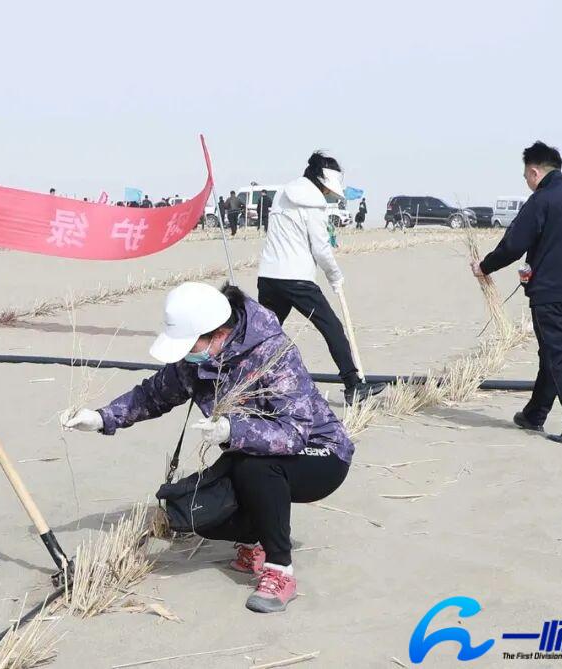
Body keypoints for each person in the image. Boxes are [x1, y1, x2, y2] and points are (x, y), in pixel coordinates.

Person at [60, 282, 353, 613]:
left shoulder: (273, 352)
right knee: (198, 508)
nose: (186, 354)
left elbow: (294, 432)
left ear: (218, 333)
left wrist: (232, 429)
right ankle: (253, 541)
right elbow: (152, 395)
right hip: (252, 452)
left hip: (320, 454)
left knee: (253, 468)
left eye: (190, 344)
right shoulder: (194, 361)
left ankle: (279, 570)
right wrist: (101, 418)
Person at [472, 141, 562, 446]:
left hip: (550, 293)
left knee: (559, 357)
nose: (528, 183)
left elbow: (514, 244)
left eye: (526, 177)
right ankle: (534, 415)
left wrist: (485, 266)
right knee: (553, 354)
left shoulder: (542, 200)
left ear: (534, 171)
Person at [257, 152, 386, 405]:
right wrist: (335, 276)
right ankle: (353, 384)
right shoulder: (314, 203)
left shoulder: (283, 193)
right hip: (297, 279)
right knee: (331, 327)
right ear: (324, 181)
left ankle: (246, 383)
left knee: (264, 334)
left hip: (269, 275)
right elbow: (321, 249)